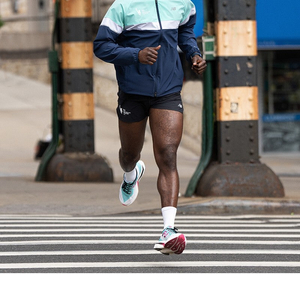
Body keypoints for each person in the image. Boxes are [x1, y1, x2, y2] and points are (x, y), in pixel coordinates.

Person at [94, 0, 207, 255]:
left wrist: (194, 55)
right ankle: (131, 173)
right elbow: (101, 46)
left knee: (167, 154)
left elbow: (185, 33)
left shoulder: (183, 4)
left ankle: (169, 230)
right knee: (129, 155)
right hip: (132, 92)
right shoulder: (123, 6)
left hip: (168, 90)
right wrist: (136, 55)